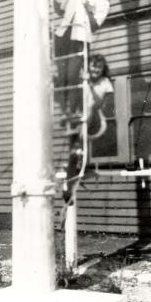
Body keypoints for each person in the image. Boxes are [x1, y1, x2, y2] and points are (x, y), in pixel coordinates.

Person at [53, 0, 110, 118]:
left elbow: (95, 26)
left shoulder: (102, 4)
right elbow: (60, 11)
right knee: (62, 76)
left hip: (80, 39)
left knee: (72, 76)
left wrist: (89, 10)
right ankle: (65, 112)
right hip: (63, 36)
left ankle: (72, 111)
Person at [62, 54, 113, 205]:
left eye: (99, 67)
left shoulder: (105, 83)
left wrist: (90, 85)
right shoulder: (83, 81)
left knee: (90, 107)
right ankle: (68, 191)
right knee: (73, 154)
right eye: (93, 67)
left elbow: (100, 104)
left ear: (103, 69)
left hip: (97, 122)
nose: (95, 70)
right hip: (82, 122)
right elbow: (75, 100)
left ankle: (79, 144)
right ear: (88, 68)